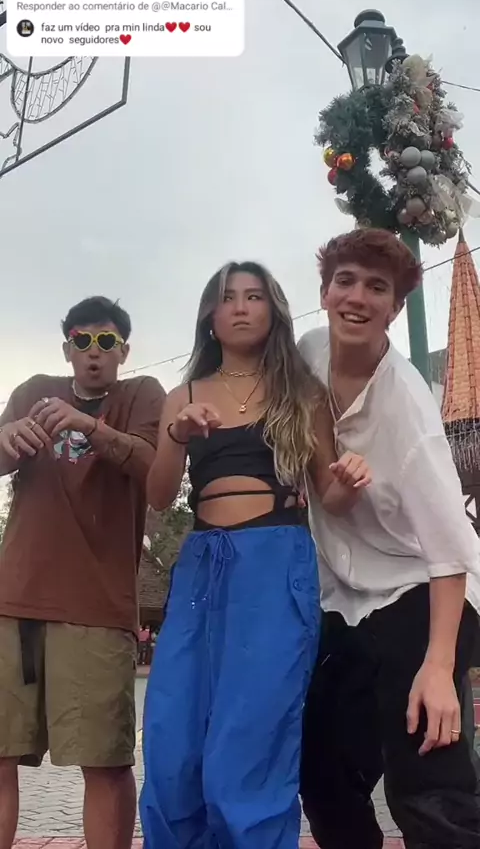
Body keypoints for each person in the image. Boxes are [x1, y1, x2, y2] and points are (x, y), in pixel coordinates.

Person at [140, 260, 371, 849]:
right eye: (228, 297)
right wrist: (177, 436)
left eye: (254, 296)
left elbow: (331, 497)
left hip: (275, 563)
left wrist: (350, 480)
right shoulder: (183, 395)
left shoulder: (302, 393)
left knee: (249, 744)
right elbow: (158, 496)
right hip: (201, 567)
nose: (241, 307)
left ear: (273, 311)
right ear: (210, 317)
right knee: (172, 742)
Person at [298, 228, 480, 849]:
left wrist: (439, 667)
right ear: (324, 292)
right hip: (343, 597)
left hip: (420, 590)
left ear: (395, 309)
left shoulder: (407, 406)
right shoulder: (307, 353)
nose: (357, 297)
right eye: (345, 281)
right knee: (323, 774)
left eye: (376, 288)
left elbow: (450, 551)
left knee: (426, 776)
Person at [0, 296, 165, 849]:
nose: (94, 351)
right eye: (82, 340)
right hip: (14, 599)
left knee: (106, 762)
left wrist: (88, 426)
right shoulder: (32, 390)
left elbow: (157, 471)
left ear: (124, 350)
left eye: (106, 341)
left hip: (97, 608)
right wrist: (6, 439)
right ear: (67, 347)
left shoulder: (142, 395)